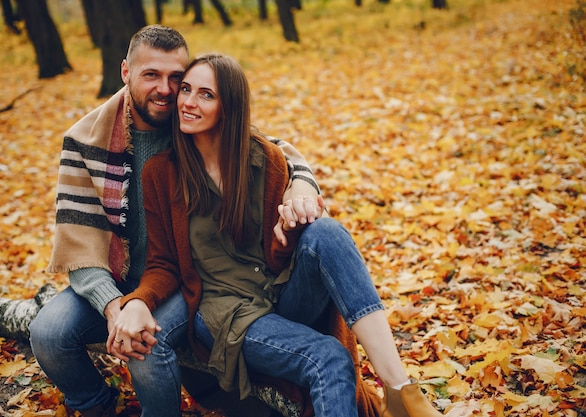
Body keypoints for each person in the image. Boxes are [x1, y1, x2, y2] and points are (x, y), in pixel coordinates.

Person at [109, 52, 444, 417]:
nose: (188, 102)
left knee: (327, 232)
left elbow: (278, 253)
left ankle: (400, 391)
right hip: (224, 310)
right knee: (329, 357)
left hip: (276, 291)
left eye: (206, 94)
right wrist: (139, 300)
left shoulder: (265, 160)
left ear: (229, 106)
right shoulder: (162, 172)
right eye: (186, 89)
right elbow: (162, 262)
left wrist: (289, 229)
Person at [29, 26, 321, 417]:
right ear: (125, 72)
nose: (165, 90)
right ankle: (96, 404)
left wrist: (300, 185)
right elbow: (79, 245)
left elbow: (274, 150)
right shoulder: (86, 140)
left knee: (148, 343)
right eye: (151, 75)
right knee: (47, 333)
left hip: (183, 275)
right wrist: (116, 307)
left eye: (176, 78)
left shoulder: (189, 120)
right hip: (116, 279)